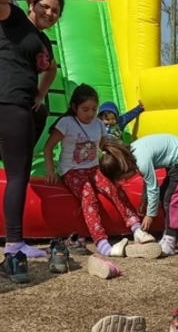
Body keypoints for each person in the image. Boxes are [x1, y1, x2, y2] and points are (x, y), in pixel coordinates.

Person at [0, 0, 63, 283]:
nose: (49, 13)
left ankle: (16, 245)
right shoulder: (14, 18)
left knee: (19, 171)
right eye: (45, 6)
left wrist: (40, 95)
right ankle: (14, 247)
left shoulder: (45, 42)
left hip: (20, 107)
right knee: (18, 177)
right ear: (33, 4)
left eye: (55, 11)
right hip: (5, 103)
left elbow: (50, 70)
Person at [43, 84, 156, 258]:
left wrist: (117, 162)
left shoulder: (98, 124)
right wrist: (50, 171)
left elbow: (103, 147)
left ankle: (136, 228)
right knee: (88, 195)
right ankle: (102, 242)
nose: (90, 114)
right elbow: (48, 147)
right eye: (85, 109)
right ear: (75, 107)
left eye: (94, 109)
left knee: (113, 187)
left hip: (93, 167)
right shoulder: (67, 123)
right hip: (72, 171)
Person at [99, 135, 178, 257]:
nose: (126, 180)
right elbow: (148, 180)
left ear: (124, 168)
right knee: (164, 195)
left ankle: (170, 240)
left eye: (123, 178)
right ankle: (167, 235)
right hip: (177, 163)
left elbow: (153, 187)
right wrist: (144, 199)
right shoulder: (133, 155)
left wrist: (150, 215)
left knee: (173, 200)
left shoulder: (141, 160)